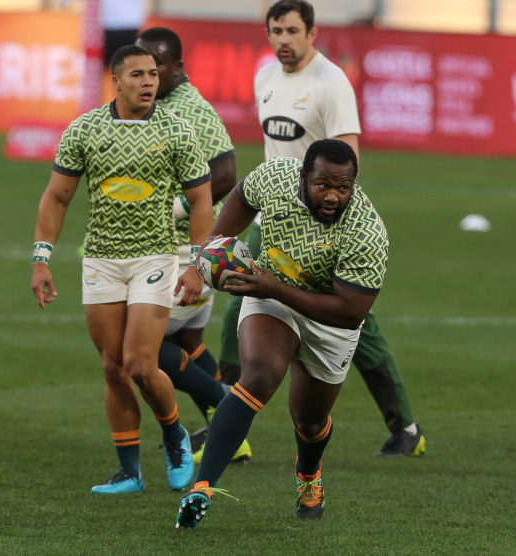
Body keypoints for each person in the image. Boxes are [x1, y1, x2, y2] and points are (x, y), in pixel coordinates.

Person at [218, 0, 425, 457]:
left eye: (292, 31)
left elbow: (348, 160)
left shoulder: (332, 84)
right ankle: (226, 417)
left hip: (322, 223)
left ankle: (404, 425)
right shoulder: (265, 77)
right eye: (276, 30)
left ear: (311, 34)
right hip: (275, 214)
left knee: (355, 322)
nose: (283, 40)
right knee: (238, 302)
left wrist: (331, 218)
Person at [175, 139, 388, 529]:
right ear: (304, 176)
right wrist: (211, 248)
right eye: (323, 185)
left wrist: (275, 289)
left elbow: (349, 311)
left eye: (344, 188)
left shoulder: (366, 231)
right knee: (258, 374)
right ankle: (202, 487)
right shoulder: (276, 177)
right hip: (269, 291)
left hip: (327, 318)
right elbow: (241, 196)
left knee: (309, 421)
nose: (333, 196)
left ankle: (308, 474)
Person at [31, 44, 214, 494]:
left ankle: (173, 434)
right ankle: (129, 473)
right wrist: (41, 258)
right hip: (101, 260)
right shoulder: (85, 129)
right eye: (137, 75)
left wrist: (196, 267)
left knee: (139, 363)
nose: (149, 81)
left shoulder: (177, 131)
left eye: (153, 73)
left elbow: (201, 202)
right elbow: (58, 197)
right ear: (116, 80)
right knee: (112, 367)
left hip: (155, 257)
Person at [134, 27, 251, 464]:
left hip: (188, 249)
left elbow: (224, 175)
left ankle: (229, 413)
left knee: (142, 348)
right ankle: (232, 434)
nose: (148, 73)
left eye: (156, 65)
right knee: (185, 342)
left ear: (177, 67)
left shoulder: (190, 110)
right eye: (140, 66)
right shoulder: (163, 104)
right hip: (184, 247)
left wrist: (172, 212)